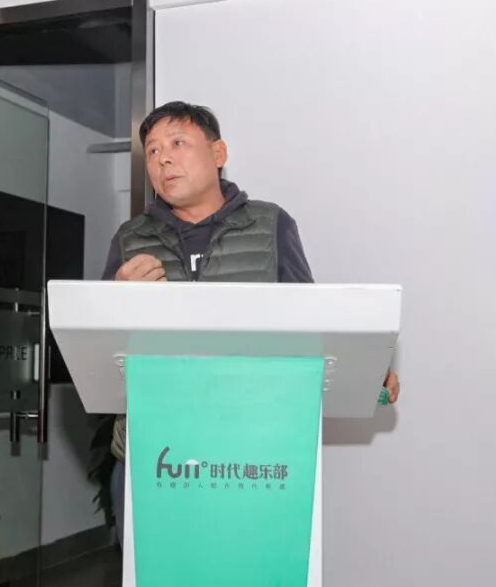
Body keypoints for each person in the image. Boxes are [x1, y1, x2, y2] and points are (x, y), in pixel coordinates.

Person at [102, 101, 399, 546]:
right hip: (152, 454)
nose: (162, 159)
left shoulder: (270, 224)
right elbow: (96, 347)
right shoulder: (130, 238)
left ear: (218, 153)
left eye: (178, 143)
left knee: (249, 568)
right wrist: (115, 299)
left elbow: (310, 321)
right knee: (158, 575)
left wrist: (368, 368)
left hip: (250, 452)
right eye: (153, 151)